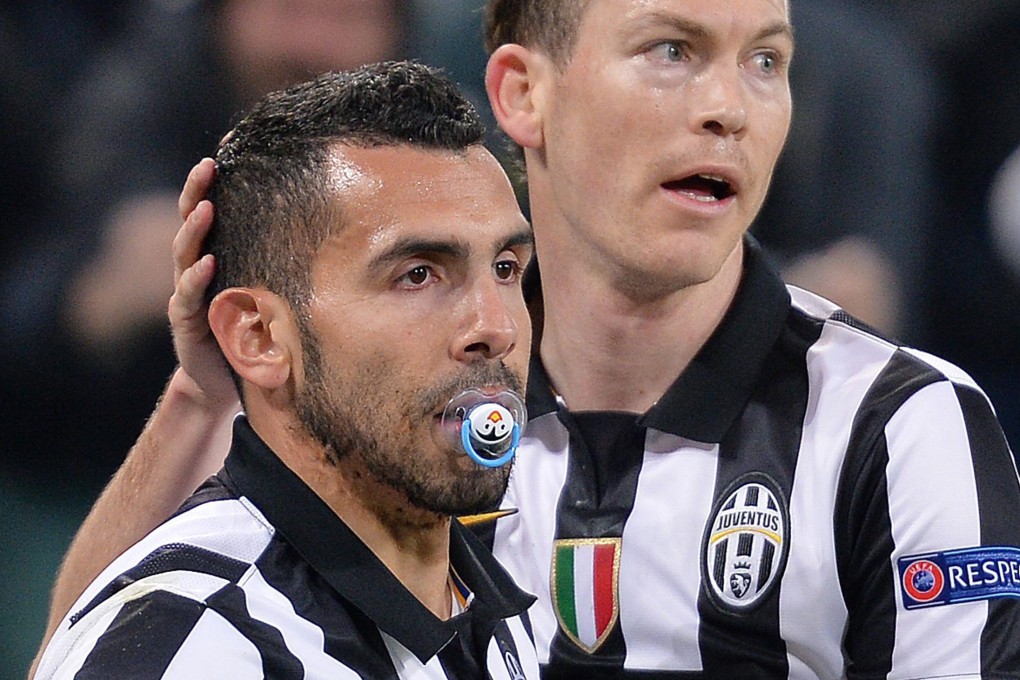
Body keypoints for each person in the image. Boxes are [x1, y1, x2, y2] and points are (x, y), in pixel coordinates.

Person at [35, 1, 1020, 678]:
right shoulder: (413, 397)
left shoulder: (898, 426)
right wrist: (198, 396)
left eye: (767, 60)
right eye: (670, 50)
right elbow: (106, 641)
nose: (729, 107)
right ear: (521, 94)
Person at [32, 61, 541, 679]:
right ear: (259, 336)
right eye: (418, 275)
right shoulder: (199, 647)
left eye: (506, 268)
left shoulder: (480, 591)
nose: (496, 328)